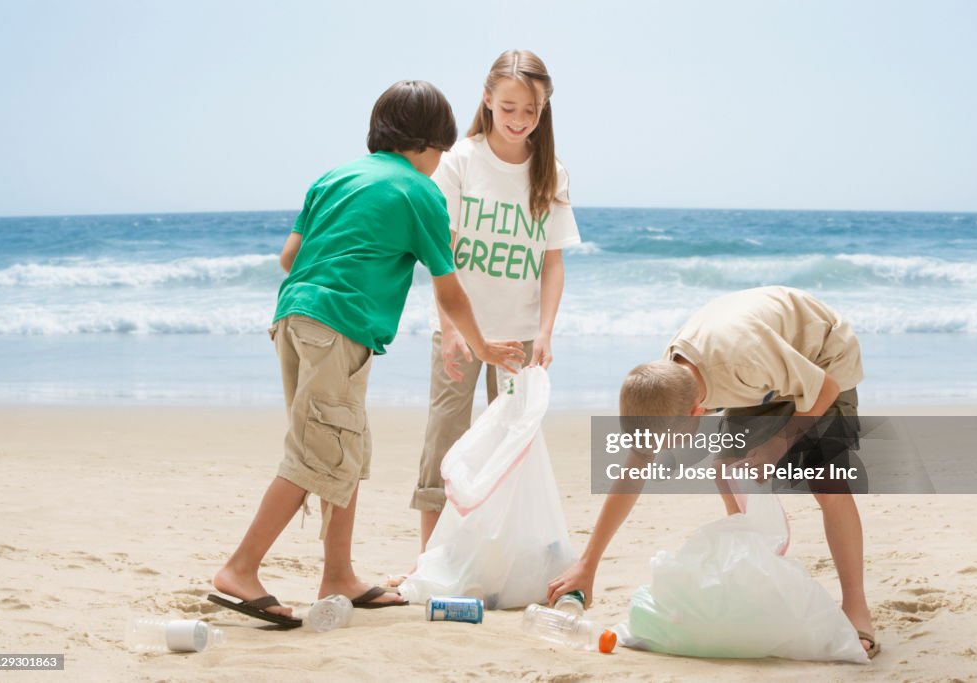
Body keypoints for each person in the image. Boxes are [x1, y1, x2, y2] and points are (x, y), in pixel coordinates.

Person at [209, 80, 526, 626]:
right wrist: (483, 347)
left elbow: (291, 257)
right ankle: (240, 568)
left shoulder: (334, 177)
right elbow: (448, 288)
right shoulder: (418, 192)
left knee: (343, 448)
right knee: (316, 452)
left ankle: (338, 575)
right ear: (433, 144)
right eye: (440, 154)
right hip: (338, 330)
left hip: (293, 319)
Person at [548, 286, 880, 658]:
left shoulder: (741, 364)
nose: (668, 451)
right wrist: (587, 565)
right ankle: (754, 567)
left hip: (821, 357)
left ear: (696, 413)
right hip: (767, 372)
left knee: (828, 484)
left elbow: (825, 390)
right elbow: (633, 470)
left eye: (671, 442)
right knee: (728, 469)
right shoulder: (664, 382)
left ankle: (856, 606)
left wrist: (776, 446)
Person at [389, 50, 581, 585]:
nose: (519, 120)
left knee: (511, 446)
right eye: (509, 108)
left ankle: (499, 555)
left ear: (544, 110)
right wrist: (451, 330)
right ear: (487, 100)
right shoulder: (460, 161)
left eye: (531, 111)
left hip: (520, 337)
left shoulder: (552, 173)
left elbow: (552, 261)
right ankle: (431, 559)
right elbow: (441, 254)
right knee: (445, 439)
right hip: (461, 331)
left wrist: (544, 331)